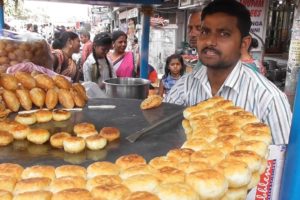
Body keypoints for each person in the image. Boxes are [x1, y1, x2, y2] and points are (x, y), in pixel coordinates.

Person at [165, 0, 292, 144]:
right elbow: (161, 133)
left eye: (224, 34)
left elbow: (283, 160)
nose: (210, 42)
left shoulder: (269, 99)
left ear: (243, 44)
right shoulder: (185, 86)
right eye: (205, 31)